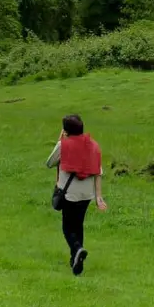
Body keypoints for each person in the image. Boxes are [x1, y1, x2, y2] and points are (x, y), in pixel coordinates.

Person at [45, 114, 108, 276]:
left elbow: (50, 163)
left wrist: (59, 141)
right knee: (78, 225)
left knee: (67, 227)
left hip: (69, 193)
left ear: (66, 130)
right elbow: (98, 172)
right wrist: (99, 196)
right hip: (87, 194)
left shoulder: (63, 145)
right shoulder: (93, 145)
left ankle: (77, 249)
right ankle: (75, 259)